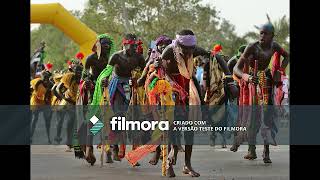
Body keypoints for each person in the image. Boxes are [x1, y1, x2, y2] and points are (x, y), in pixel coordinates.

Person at [158, 29, 236, 177]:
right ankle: (169, 161)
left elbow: (216, 57)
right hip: (170, 87)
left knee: (189, 127)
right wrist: (173, 87)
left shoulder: (195, 50)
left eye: (191, 50)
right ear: (178, 45)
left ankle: (187, 164)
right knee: (171, 125)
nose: (189, 53)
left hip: (188, 85)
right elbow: (161, 72)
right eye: (185, 50)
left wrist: (229, 79)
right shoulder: (168, 52)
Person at [233, 21, 289, 163]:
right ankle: (251, 150)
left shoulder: (274, 45)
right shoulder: (252, 47)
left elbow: (287, 56)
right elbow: (236, 69)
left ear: (272, 36)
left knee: (267, 115)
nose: (262, 36)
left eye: (265, 33)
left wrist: (279, 71)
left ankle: (266, 151)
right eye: (261, 33)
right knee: (252, 115)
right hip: (252, 82)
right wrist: (248, 77)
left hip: (266, 80)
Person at [101, 33, 145, 162]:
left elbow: (145, 72)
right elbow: (106, 73)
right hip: (116, 86)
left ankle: (134, 153)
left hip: (133, 87)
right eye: (129, 45)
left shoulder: (139, 58)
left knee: (135, 118)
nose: (131, 48)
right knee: (118, 116)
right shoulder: (115, 56)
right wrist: (104, 80)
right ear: (124, 44)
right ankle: (114, 147)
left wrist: (137, 79)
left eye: (134, 46)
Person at [76, 33, 115, 165]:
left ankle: (109, 150)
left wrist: (108, 81)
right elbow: (84, 76)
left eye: (109, 46)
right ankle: (88, 149)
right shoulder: (91, 58)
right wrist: (88, 82)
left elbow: (116, 73)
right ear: (98, 45)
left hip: (110, 90)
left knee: (111, 120)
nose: (107, 48)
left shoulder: (112, 59)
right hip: (93, 92)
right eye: (104, 45)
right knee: (93, 121)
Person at [30, 70, 54, 144]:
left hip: (45, 103)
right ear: (42, 78)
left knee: (47, 121)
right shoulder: (37, 82)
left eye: (47, 78)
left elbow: (51, 93)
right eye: (44, 78)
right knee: (35, 119)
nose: (46, 80)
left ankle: (49, 138)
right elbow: (31, 89)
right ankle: (30, 137)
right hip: (36, 102)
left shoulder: (51, 84)